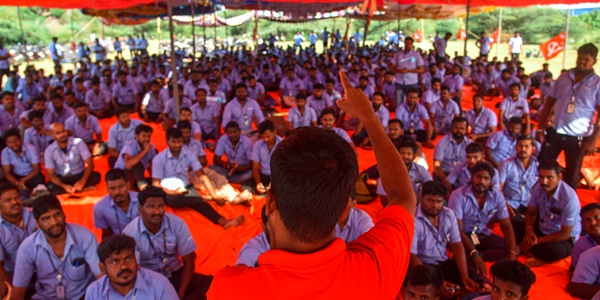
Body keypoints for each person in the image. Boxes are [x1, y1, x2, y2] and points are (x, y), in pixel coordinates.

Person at [207, 70, 416, 299]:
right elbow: (403, 198)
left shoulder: (231, 289)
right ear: (345, 208)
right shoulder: (376, 266)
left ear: (270, 201)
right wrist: (369, 118)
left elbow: (402, 199)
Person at [121, 187, 213, 300]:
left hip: (174, 273)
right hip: (149, 280)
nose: (157, 211)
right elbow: (135, 273)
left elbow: (189, 261)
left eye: (160, 206)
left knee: (212, 284)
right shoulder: (130, 233)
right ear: (140, 209)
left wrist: (179, 295)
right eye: (151, 206)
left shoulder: (177, 223)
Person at [12, 195, 101, 300]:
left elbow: (102, 277)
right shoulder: (27, 248)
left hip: (81, 296)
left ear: (64, 215)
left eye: (57, 215)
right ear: (37, 223)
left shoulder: (85, 237)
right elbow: (18, 294)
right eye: (46, 218)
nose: (54, 222)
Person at [536, 43, 600, 189]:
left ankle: (565, 209)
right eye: (580, 58)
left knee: (572, 176)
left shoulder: (597, 83)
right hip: (556, 132)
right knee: (542, 166)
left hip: (579, 137)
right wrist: (540, 128)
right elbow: (549, 102)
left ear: (594, 61)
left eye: (586, 60)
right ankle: (539, 202)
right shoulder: (564, 77)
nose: (582, 62)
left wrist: (593, 141)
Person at [152, 128, 244, 228]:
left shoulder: (189, 155)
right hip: (168, 192)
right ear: (167, 142)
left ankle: (224, 222)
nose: (177, 145)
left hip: (185, 187)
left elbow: (202, 176)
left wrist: (213, 194)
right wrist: (173, 192)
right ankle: (204, 198)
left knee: (201, 204)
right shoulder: (159, 159)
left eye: (179, 142)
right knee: (177, 200)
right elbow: (156, 184)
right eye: (173, 142)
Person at [409, 181, 481, 298]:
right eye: (430, 200)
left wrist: (464, 276)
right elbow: (411, 256)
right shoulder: (413, 219)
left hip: (442, 264)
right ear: (421, 198)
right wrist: (435, 282)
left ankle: (449, 289)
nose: (435, 205)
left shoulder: (449, 215)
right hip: (422, 265)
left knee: (471, 276)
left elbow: (457, 245)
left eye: (439, 202)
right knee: (419, 283)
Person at [448, 162, 518, 275]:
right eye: (478, 177)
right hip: (462, 237)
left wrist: (512, 253)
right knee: (460, 253)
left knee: (513, 249)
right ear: (472, 177)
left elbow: (507, 225)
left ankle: (471, 256)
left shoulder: (497, 195)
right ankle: (469, 256)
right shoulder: (458, 195)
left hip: (481, 234)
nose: (481, 181)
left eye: (486, 178)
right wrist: (473, 253)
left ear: (491, 181)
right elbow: (457, 230)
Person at [515, 160, 581, 267]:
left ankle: (531, 251)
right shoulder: (538, 187)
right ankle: (531, 253)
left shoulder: (569, 199)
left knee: (552, 251)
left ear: (559, 176)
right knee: (512, 223)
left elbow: (564, 234)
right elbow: (531, 213)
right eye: (541, 177)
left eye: (549, 177)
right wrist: (529, 229)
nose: (544, 181)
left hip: (561, 238)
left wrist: (535, 242)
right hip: (542, 228)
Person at [84, 234, 179, 299]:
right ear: (102, 267)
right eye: (115, 262)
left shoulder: (159, 285)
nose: (124, 266)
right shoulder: (94, 292)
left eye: (129, 259)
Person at [44, 122, 101, 195]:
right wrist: (64, 186)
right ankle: (77, 189)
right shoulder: (49, 151)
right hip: (63, 179)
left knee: (96, 176)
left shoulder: (78, 142)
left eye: (63, 131)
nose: (62, 135)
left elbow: (90, 164)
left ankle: (76, 188)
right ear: (52, 136)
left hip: (79, 175)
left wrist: (82, 181)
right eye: (58, 133)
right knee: (50, 187)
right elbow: (51, 175)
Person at [0, 183, 37, 289]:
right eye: (8, 200)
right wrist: (13, 293)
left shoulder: (34, 215)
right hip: (13, 274)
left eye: (16, 198)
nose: (15, 202)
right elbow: (0, 267)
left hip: (43, 269)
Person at [498, 135, 539, 225]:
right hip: (510, 205)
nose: (523, 149)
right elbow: (498, 189)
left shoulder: (538, 166)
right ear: (516, 147)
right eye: (520, 146)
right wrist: (505, 206)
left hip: (530, 206)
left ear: (533, 149)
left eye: (526, 146)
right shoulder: (506, 164)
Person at [93, 169, 140, 239]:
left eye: (121, 187)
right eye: (112, 188)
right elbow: (106, 234)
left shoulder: (142, 200)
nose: (117, 192)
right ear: (107, 189)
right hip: (120, 244)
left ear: (128, 185)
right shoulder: (100, 207)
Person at [1, 129, 44, 200]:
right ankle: (23, 192)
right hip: (17, 176)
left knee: (39, 179)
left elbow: (36, 170)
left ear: (21, 140)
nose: (14, 144)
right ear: (6, 143)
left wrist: (22, 180)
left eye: (16, 141)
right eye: (10, 142)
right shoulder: (5, 152)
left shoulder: (31, 148)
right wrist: (17, 183)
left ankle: (24, 192)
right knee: (4, 183)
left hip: (31, 176)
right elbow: (7, 173)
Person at [242, 121, 281, 195]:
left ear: (275, 132)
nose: (265, 140)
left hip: (278, 177)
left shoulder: (283, 144)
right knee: (245, 185)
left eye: (268, 136)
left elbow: (286, 168)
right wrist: (258, 183)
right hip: (264, 176)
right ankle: (267, 192)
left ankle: (269, 192)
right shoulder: (258, 145)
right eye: (263, 137)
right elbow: (255, 168)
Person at [114, 124, 157, 190]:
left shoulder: (151, 146)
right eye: (144, 136)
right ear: (136, 136)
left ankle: (142, 187)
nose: (147, 139)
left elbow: (151, 165)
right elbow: (128, 164)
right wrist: (145, 151)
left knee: (158, 183)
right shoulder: (130, 145)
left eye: (149, 136)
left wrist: (155, 180)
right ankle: (143, 188)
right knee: (137, 164)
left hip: (137, 178)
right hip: (121, 177)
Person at [433, 117, 472, 182]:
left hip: (463, 174)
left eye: (462, 128)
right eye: (456, 128)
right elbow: (437, 165)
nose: (459, 130)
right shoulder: (442, 142)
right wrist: (446, 181)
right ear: (451, 128)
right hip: (445, 173)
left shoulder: (470, 144)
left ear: (466, 130)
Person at [389, 37, 424, 108]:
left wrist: (408, 70)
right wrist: (399, 71)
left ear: (412, 45)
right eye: (406, 43)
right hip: (399, 81)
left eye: (409, 44)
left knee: (412, 101)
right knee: (399, 101)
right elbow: (391, 67)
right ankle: (399, 117)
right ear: (404, 44)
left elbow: (421, 70)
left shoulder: (416, 55)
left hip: (412, 82)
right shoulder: (398, 54)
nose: (408, 45)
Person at [570, 204, 600, 274]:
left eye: (597, 217)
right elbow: (573, 270)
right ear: (583, 224)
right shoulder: (581, 244)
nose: (593, 223)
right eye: (587, 220)